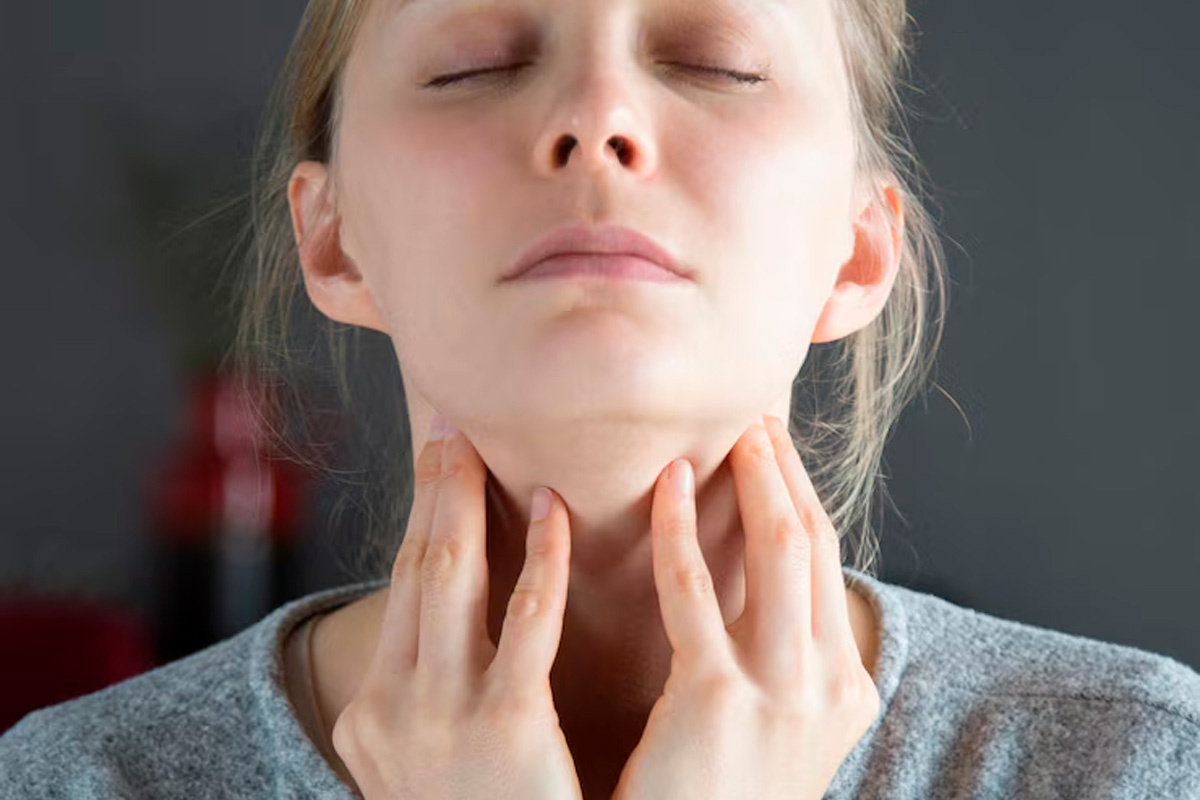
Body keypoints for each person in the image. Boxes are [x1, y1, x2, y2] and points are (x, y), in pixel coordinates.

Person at [3, 0, 1199, 797]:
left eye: (717, 61)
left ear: (858, 248)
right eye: (475, 63)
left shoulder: (1135, 762)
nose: (596, 118)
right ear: (332, 237)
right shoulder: (74, 782)